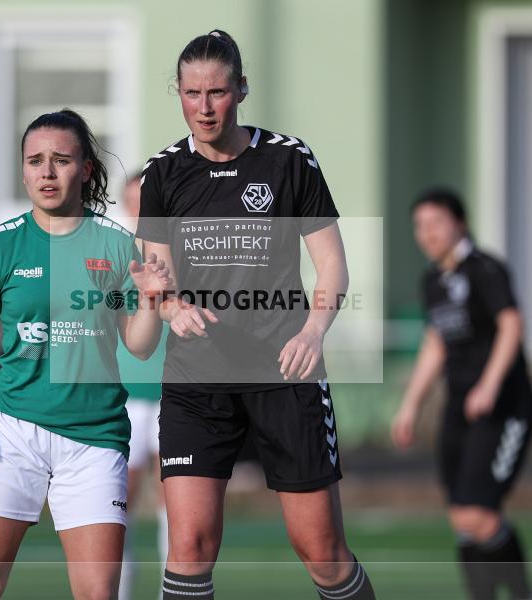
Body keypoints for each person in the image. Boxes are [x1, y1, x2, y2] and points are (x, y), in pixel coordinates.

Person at [136, 30, 376, 600]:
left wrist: (315, 330)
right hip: (197, 380)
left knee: (323, 554)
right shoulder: (164, 173)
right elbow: (155, 276)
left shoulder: (289, 161)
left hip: (283, 371)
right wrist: (171, 308)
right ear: (178, 92)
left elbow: (333, 268)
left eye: (217, 92)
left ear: (241, 89)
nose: (204, 106)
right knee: (189, 547)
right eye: (191, 93)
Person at [0, 109, 172, 600]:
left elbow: (140, 344)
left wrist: (150, 297)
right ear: (22, 169)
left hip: (94, 438)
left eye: (61, 160)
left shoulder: (115, 245)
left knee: (96, 594)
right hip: (11, 432)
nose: (46, 172)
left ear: (84, 169)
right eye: (35, 161)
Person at [391, 188, 532, 600]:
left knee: (479, 515)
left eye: (435, 223)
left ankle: (526, 594)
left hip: (504, 406)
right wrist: (410, 406)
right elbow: (436, 342)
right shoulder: (432, 280)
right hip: (458, 409)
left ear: (461, 223)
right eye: (419, 226)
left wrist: (489, 385)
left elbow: (511, 325)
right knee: (461, 517)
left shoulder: (485, 270)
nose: (427, 234)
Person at [115, 172, 169, 600]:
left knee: (177, 498)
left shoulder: (177, 251)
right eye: (133, 201)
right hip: (128, 397)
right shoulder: (114, 253)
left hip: (174, 394)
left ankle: (179, 590)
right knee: (120, 501)